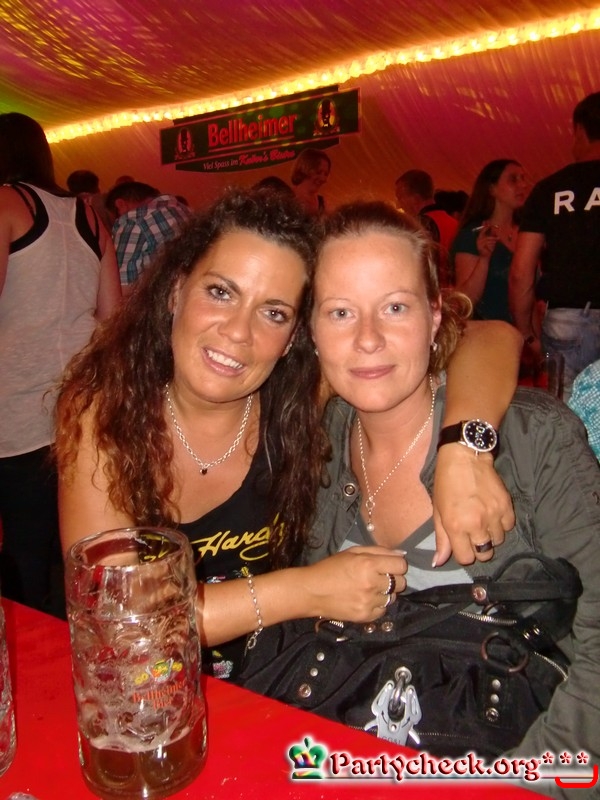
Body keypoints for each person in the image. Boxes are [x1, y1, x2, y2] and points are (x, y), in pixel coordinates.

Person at [55, 187, 519, 681]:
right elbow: (119, 625)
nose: (239, 331)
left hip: (276, 683)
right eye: (221, 292)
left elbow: (488, 336)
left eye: (274, 312)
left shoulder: (297, 395)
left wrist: (463, 450)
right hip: (148, 695)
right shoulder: (103, 411)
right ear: (176, 290)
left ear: (294, 336)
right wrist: (307, 590)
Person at [305, 199, 600, 784]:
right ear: (310, 330)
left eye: (395, 307)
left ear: (436, 315)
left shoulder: (533, 439)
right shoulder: (312, 448)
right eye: (339, 312)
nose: (368, 339)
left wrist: (517, 788)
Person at [0, 112, 121, 614]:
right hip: (80, 403)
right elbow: (113, 317)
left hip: (16, 405)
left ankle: (34, 648)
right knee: (75, 547)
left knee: (25, 550)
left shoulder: (6, 202)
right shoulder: (90, 216)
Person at [509, 91, 600, 401]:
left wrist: (526, 334)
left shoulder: (550, 189)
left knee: (568, 416)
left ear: (580, 131)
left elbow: (521, 272)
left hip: (568, 319)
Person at [451, 159, 527, 323]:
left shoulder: (527, 233)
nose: (522, 185)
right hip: (489, 330)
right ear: (492, 189)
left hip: (525, 329)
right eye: (513, 179)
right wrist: (484, 259)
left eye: (523, 178)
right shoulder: (473, 235)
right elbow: (466, 300)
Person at [104, 180, 193, 295]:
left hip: (158, 300)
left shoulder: (133, 223)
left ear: (120, 204)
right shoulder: (183, 210)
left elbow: (122, 289)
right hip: (187, 295)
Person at [395, 169, 457, 288]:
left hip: (433, 291)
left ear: (415, 198)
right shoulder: (453, 222)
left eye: (400, 197)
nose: (399, 205)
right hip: (452, 293)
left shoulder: (420, 225)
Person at [290, 148, 331, 215]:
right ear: (305, 169)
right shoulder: (287, 197)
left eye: (326, 174)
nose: (323, 179)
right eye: (318, 172)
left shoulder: (322, 204)